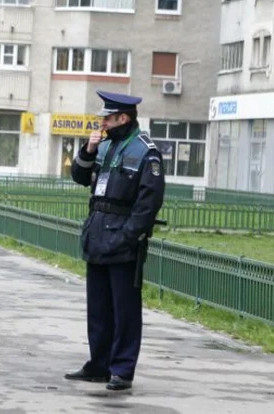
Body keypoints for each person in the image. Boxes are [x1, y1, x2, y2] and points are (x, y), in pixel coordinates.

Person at [66, 91, 165, 391]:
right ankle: (99, 364)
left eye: (107, 118)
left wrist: (128, 236)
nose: (103, 123)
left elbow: (148, 203)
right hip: (97, 235)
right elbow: (80, 178)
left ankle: (121, 368)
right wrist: (88, 149)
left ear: (123, 118)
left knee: (124, 310)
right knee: (98, 308)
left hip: (122, 239)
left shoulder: (145, 151)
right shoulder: (105, 146)